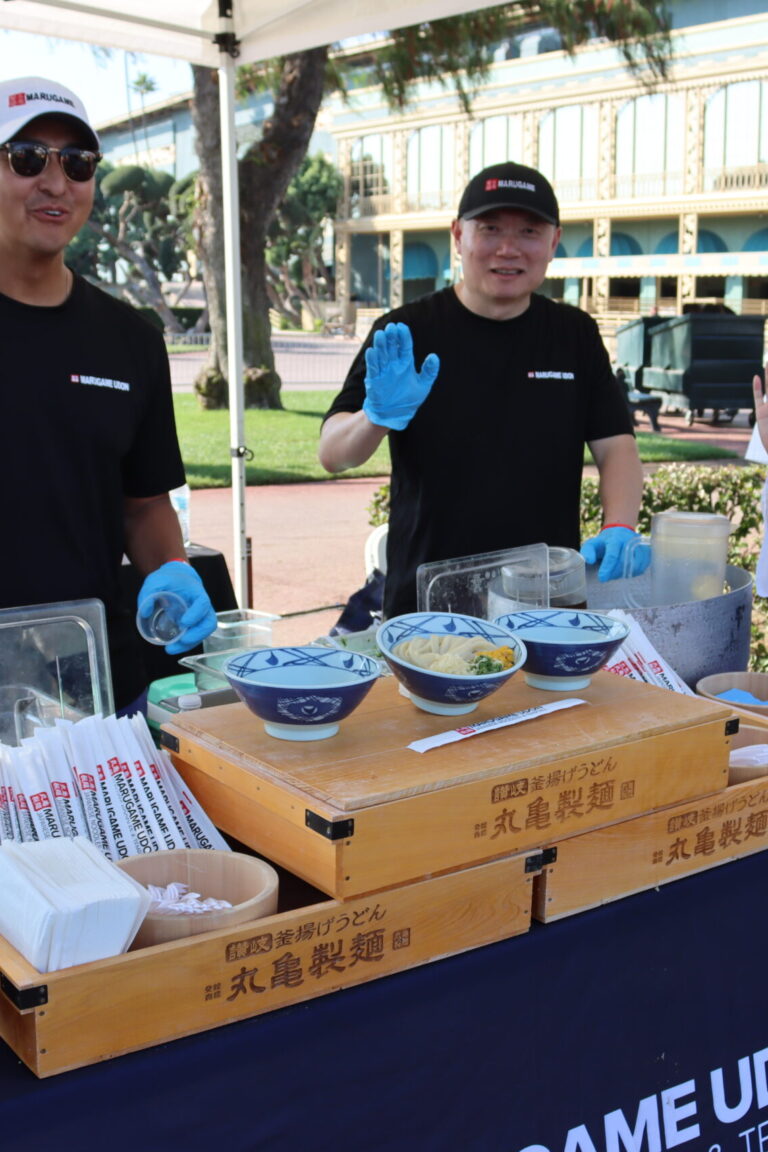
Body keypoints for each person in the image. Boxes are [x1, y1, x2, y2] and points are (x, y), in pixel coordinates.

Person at [319, 160, 645, 619]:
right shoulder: (404, 332)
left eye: (529, 232)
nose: (508, 249)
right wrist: (376, 416)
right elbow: (334, 454)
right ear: (458, 236)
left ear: (553, 242)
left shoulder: (574, 335)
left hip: (544, 604)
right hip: (427, 607)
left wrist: (619, 526)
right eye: (490, 229)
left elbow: (617, 449)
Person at [0, 76, 216, 715]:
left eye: (77, 162)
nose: (56, 181)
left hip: (88, 671)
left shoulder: (130, 341)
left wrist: (172, 571)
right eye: (27, 158)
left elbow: (143, 505)